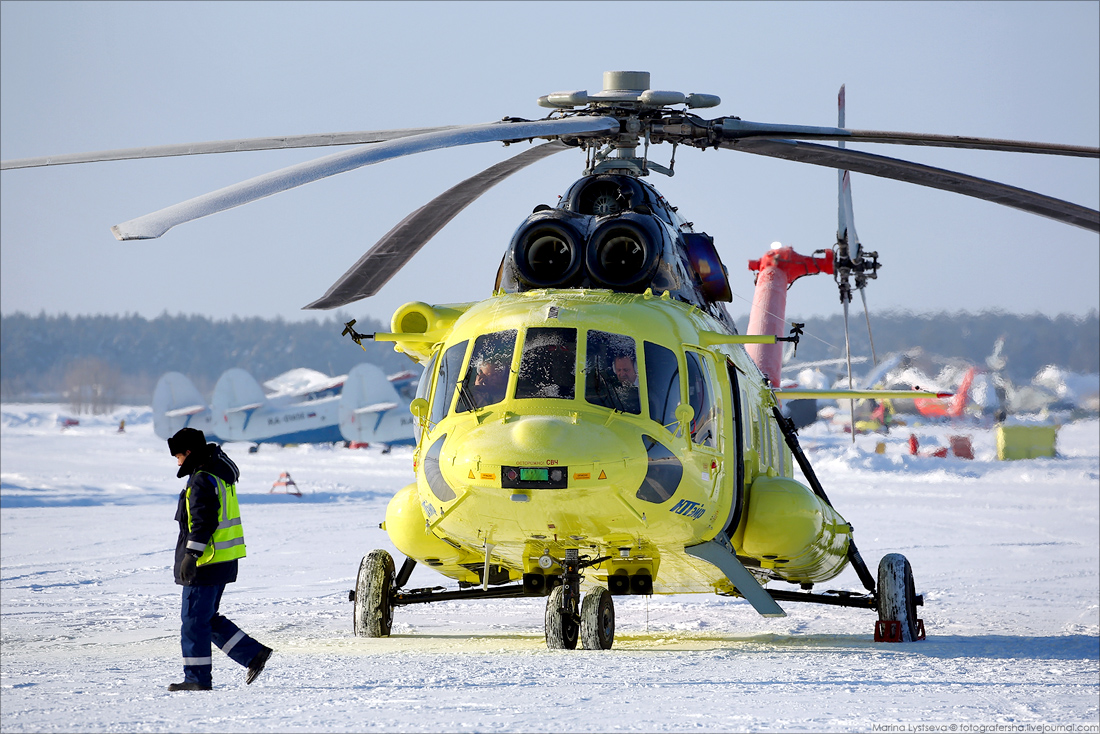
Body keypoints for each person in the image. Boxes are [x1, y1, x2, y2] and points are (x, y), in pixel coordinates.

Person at [166, 427, 272, 691]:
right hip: (222, 560)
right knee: (206, 618)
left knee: (193, 622)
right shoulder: (218, 473)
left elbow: (203, 522)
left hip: (205, 562)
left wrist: (191, 555)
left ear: (188, 452)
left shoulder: (202, 479)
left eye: (178, 456)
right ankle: (253, 654)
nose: (178, 463)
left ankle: (197, 679)